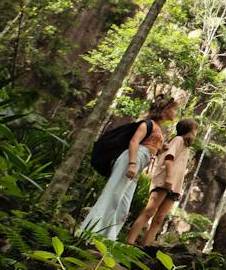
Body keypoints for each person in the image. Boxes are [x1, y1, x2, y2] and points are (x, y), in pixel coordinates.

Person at [79, 96, 176, 241]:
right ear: (165, 110)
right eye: (173, 109)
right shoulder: (147, 124)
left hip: (139, 163)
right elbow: (134, 142)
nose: (175, 112)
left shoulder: (158, 128)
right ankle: (88, 235)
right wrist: (132, 164)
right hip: (131, 160)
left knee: (123, 206)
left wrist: (160, 149)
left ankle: (107, 238)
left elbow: (150, 148)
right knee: (112, 196)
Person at [126, 117, 195, 246]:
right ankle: (129, 243)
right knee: (149, 212)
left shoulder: (186, 146)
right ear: (189, 130)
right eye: (194, 129)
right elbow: (169, 159)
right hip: (165, 180)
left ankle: (145, 246)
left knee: (159, 218)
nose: (195, 132)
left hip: (175, 186)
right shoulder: (178, 140)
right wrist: (169, 178)